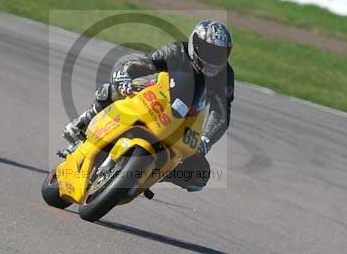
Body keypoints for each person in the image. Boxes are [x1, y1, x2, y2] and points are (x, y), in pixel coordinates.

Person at [62, 19, 234, 192]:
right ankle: (83, 121)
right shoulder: (176, 51)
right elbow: (143, 63)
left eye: (218, 54)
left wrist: (206, 139)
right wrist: (124, 77)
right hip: (157, 97)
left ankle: (156, 172)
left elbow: (221, 113)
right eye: (207, 50)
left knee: (199, 174)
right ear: (194, 44)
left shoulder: (225, 75)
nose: (212, 58)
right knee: (114, 91)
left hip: (187, 119)